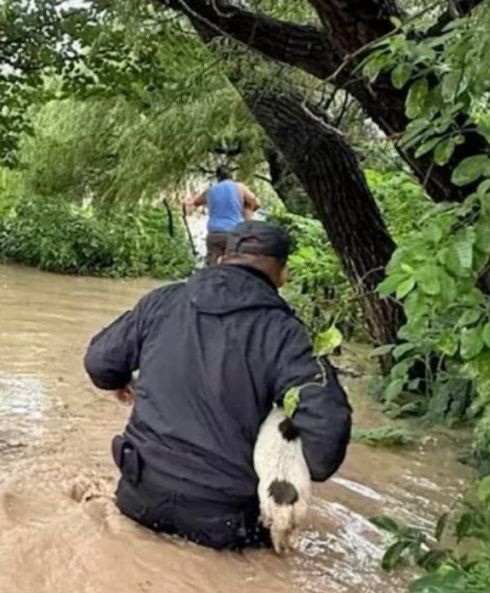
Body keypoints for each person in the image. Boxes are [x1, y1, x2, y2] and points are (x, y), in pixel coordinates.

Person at [83, 221, 352, 551]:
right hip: (223, 523)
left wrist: (121, 381)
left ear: (222, 259)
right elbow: (325, 444)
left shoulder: (163, 301)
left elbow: (100, 363)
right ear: (283, 274)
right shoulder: (288, 334)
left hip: (139, 498)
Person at [188, 165, 260, 232]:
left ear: (218, 178)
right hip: (234, 232)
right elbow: (257, 203)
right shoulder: (240, 187)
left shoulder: (210, 190)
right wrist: (246, 208)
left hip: (215, 232)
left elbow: (196, 202)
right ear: (231, 176)